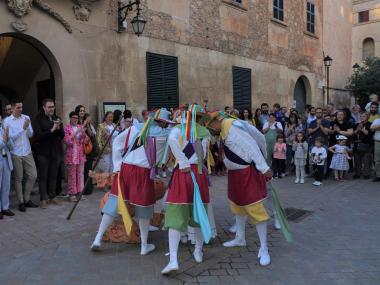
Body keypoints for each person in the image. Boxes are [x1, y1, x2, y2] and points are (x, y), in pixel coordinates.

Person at [91, 110, 171, 257]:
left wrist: (117, 165)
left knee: (113, 203)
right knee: (144, 209)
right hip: (143, 173)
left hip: (125, 169)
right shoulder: (167, 135)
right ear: (165, 122)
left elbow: (117, 142)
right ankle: (144, 246)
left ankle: (97, 239)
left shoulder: (136, 127)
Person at [207, 112, 273, 267]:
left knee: (254, 208)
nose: (210, 128)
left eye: (210, 124)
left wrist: (264, 168)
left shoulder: (232, 128)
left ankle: (264, 248)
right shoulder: (223, 130)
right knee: (237, 206)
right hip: (235, 174)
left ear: (218, 120)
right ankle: (240, 237)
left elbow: (251, 147)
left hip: (246, 173)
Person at [161, 105, 211, 274]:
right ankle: (198, 250)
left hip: (184, 174)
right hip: (198, 173)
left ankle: (174, 259)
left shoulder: (179, 129)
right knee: (197, 213)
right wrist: (187, 158)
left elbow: (172, 140)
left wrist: (182, 162)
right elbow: (201, 154)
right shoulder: (204, 132)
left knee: (175, 214)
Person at [4, 99, 38, 212]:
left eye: (21, 107)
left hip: (27, 151)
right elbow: (10, 138)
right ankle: (21, 202)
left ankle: (27, 199)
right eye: (18, 107)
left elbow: (31, 134)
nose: (20, 110)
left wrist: (27, 127)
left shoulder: (26, 118)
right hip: (16, 152)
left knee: (33, 175)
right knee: (19, 178)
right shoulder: (7, 121)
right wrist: (22, 128)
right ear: (12, 108)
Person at [32, 98, 64, 209]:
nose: (52, 108)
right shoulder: (38, 120)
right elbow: (38, 136)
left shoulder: (57, 118)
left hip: (55, 151)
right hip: (43, 152)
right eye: (49, 107)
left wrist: (59, 128)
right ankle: (43, 199)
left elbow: (62, 135)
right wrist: (52, 129)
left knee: (53, 175)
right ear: (44, 107)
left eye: (53, 106)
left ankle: (52, 196)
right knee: (43, 176)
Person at [64, 112, 89, 202]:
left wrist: (84, 134)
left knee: (80, 174)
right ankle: (72, 193)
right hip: (71, 154)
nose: (75, 119)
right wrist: (77, 133)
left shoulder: (79, 127)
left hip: (80, 154)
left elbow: (86, 140)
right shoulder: (67, 128)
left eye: (77, 118)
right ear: (70, 118)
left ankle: (80, 192)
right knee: (72, 175)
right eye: (73, 118)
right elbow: (67, 141)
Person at [0, 116, 14, 218]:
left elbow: (11, 146)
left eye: (0, 119)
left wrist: (8, 140)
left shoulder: (3, 129)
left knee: (6, 185)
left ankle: (5, 207)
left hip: (6, 159)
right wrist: (4, 141)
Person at [353, 113, 373, 179]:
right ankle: (357, 173)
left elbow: (368, 133)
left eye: (364, 116)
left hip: (366, 145)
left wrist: (362, 129)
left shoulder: (370, 124)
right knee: (357, 160)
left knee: (366, 160)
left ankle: (366, 174)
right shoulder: (357, 124)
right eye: (361, 116)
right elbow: (354, 133)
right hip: (357, 145)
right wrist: (358, 128)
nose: (362, 117)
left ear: (367, 117)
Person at [82, 113, 97, 195]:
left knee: (89, 169)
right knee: (86, 169)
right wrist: (86, 125)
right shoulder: (84, 126)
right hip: (87, 150)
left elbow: (93, 135)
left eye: (90, 118)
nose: (89, 119)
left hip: (91, 151)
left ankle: (89, 187)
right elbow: (90, 135)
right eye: (88, 118)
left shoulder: (90, 126)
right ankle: (86, 188)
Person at [370, 117, 380, 182]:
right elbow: (371, 128)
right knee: (377, 160)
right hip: (378, 142)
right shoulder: (377, 120)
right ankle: (378, 175)